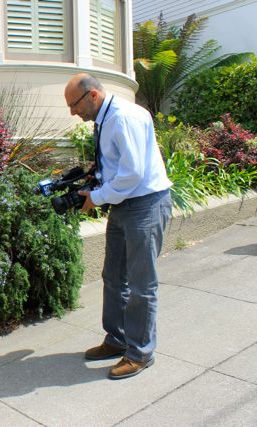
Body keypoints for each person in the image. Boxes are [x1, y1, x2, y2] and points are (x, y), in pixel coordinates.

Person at [64, 73, 173, 379]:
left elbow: (133, 174)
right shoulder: (106, 116)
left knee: (141, 285)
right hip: (124, 205)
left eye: (74, 105)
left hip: (145, 205)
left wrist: (96, 198)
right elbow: (117, 168)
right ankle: (117, 339)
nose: (73, 112)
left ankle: (140, 353)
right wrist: (94, 182)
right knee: (113, 276)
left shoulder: (123, 117)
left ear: (93, 96)